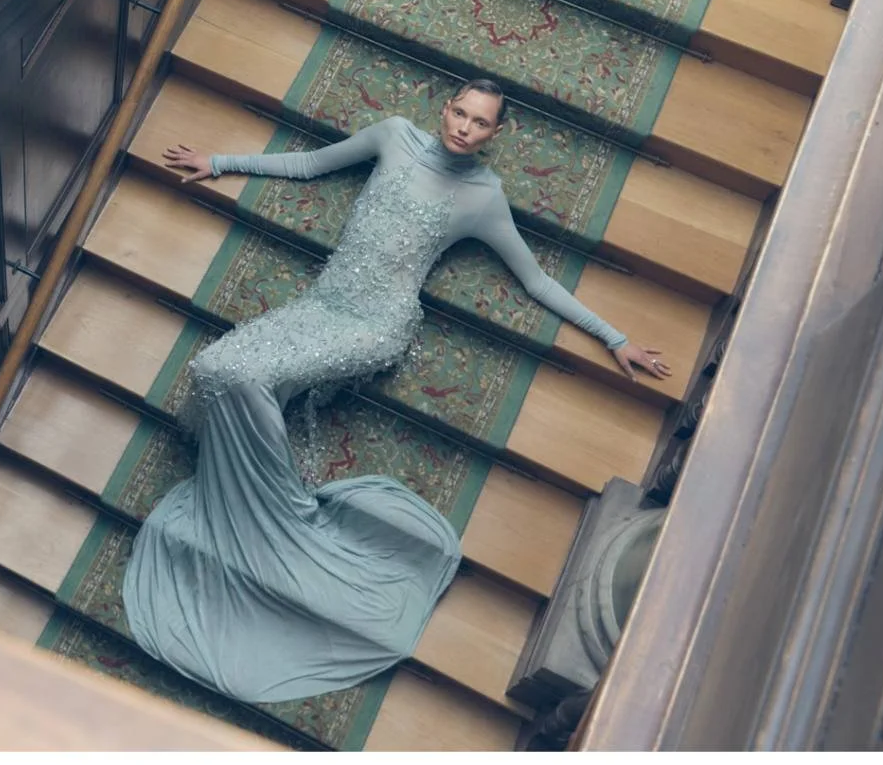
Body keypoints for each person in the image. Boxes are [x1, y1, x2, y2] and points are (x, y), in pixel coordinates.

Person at [121, 80, 668, 705]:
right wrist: (219, 162)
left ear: (497, 134)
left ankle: (271, 514)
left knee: (246, 377)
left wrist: (614, 337)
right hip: (326, 302)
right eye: (459, 112)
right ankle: (246, 484)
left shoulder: (484, 197)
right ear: (444, 109)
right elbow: (310, 164)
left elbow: (536, 280)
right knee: (218, 365)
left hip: (377, 325)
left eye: (480, 123)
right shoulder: (393, 135)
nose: (464, 127)